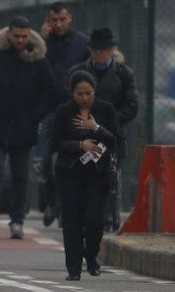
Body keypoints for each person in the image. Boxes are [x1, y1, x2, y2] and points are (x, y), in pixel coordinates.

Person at [0, 16, 54, 239]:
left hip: (23, 127)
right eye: (16, 36)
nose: (20, 40)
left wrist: (34, 116)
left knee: (20, 176)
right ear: (8, 34)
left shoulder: (38, 61)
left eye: (24, 36)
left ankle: (17, 221)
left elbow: (49, 93)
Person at [52, 70, 123, 280]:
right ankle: (73, 268)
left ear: (94, 91)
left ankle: (91, 256)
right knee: (72, 222)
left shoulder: (106, 109)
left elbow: (116, 139)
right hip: (70, 174)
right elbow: (55, 143)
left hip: (97, 175)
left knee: (94, 221)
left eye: (88, 93)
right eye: (80, 94)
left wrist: (96, 128)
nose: (85, 98)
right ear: (72, 94)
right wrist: (80, 145)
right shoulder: (64, 112)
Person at [67, 28, 138, 232]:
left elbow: (132, 105)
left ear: (112, 50)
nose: (100, 54)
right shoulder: (78, 72)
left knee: (109, 177)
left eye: (104, 50)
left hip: (111, 134)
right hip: (83, 132)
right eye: (96, 50)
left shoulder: (124, 74)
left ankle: (107, 219)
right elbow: (68, 101)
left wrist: (108, 122)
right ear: (91, 50)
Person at [36, 2, 91, 228]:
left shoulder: (83, 44)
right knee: (45, 162)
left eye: (63, 19)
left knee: (71, 161)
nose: (58, 24)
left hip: (73, 108)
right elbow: (34, 68)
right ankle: (52, 202)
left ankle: (65, 206)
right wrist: (40, 41)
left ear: (70, 19)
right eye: (54, 20)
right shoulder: (41, 44)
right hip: (48, 109)